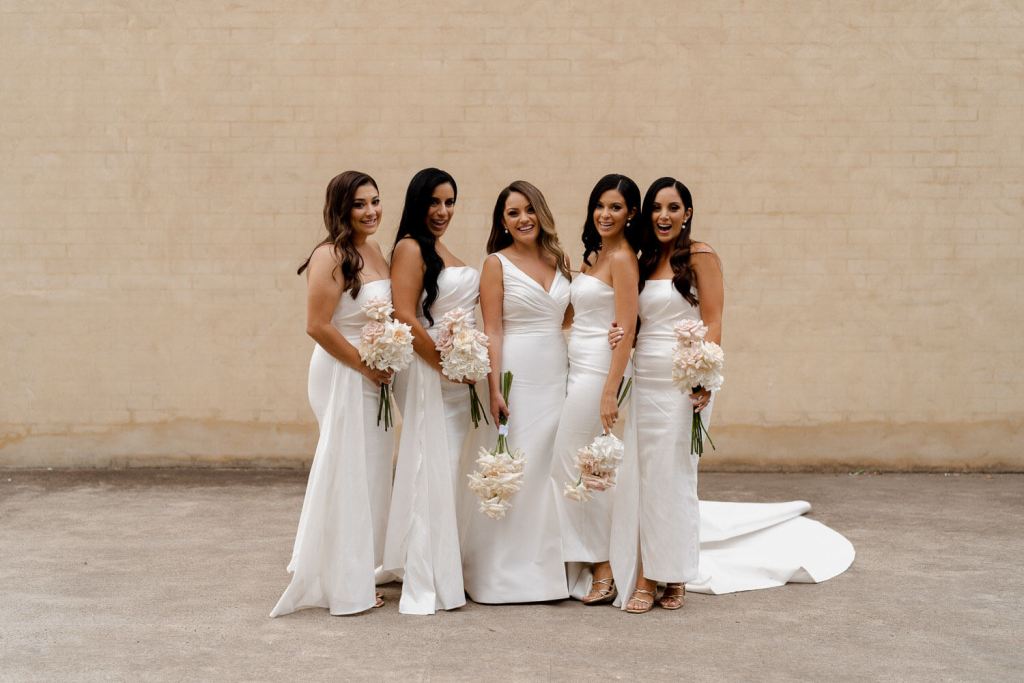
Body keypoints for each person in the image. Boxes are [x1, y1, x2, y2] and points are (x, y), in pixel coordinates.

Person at [609, 177, 855, 613]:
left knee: (675, 476)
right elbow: (637, 320)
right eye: (656, 209)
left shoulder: (700, 257)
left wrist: (702, 375)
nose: (663, 216)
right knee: (646, 477)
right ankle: (655, 571)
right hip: (645, 379)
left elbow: (715, 320)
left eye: (673, 207)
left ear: (688, 213)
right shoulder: (644, 262)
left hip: (685, 380)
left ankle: (668, 574)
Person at [271, 171, 394, 617]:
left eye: (376, 201)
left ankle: (356, 566)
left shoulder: (375, 249)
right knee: (347, 470)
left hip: (372, 371)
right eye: (360, 204)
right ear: (341, 209)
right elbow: (317, 326)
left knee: (370, 472)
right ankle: (344, 583)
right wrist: (366, 364)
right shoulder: (330, 254)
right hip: (344, 371)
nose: (371, 211)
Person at [460, 181, 572, 604]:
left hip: (558, 372)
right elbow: (492, 328)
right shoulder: (496, 264)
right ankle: (503, 570)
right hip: (517, 374)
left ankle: (554, 566)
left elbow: (572, 316)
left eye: (528, 210)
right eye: (512, 213)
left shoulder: (560, 261)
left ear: (540, 212)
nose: (523, 219)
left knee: (550, 465)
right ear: (502, 222)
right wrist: (494, 386)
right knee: (517, 461)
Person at [382, 168, 479, 615]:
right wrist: (446, 366)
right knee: (429, 466)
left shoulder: (438, 248)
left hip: (457, 376)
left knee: (448, 469)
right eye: (434, 202)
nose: (443, 212)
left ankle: (445, 562)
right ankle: (428, 573)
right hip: (431, 375)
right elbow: (404, 314)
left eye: (450, 202)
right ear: (418, 202)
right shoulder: (409, 247)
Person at [549, 174, 641, 604]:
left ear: (631, 214)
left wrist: (610, 390)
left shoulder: (623, 258)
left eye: (616, 208)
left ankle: (604, 563)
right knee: (575, 463)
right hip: (575, 361)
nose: (606, 214)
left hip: (599, 370)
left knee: (582, 464)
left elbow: (627, 327)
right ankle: (584, 555)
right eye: (600, 206)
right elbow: (575, 315)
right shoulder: (593, 253)